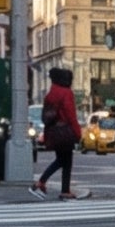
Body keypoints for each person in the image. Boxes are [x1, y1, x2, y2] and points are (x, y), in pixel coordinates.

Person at [33, 68, 80, 200]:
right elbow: (71, 115)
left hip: (54, 132)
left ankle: (59, 187)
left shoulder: (51, 94)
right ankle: (45, 183)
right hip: (65, 132)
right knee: (65, 161)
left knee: (62, 160)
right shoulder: (66, 93)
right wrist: (77, 132)